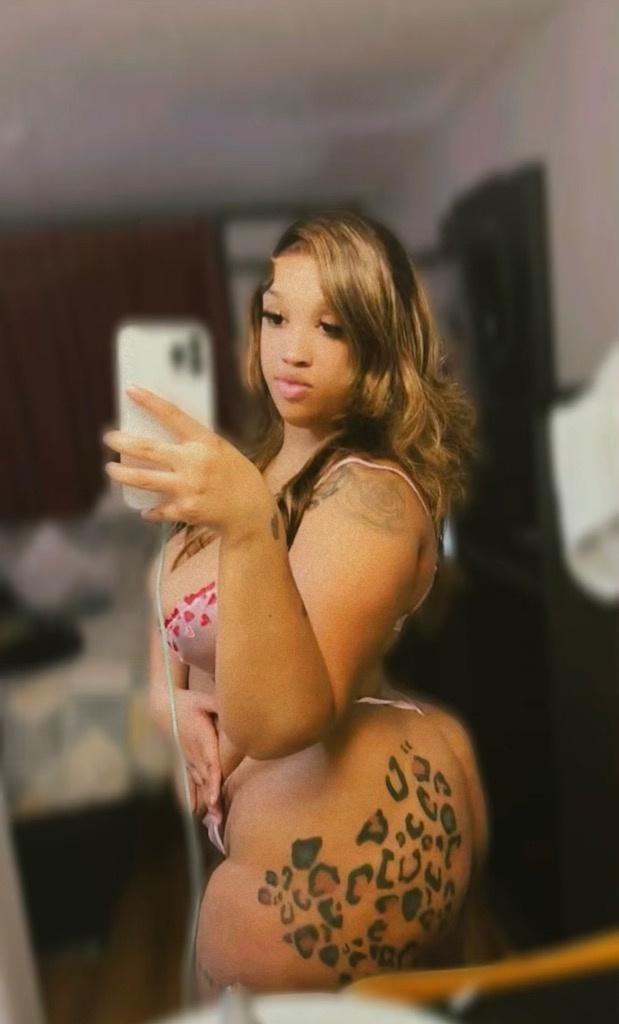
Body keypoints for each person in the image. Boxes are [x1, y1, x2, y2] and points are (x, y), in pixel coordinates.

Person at [105, 210, 489, 1000]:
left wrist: (247, 526)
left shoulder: (369, 496)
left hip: (345, 838)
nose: (292, 348)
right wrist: (167, 701)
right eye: (276, 316)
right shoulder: (254, 470)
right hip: (264, 843)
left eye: (331, 327)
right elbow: (172, 609)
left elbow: (281, 720)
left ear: (378, 344)